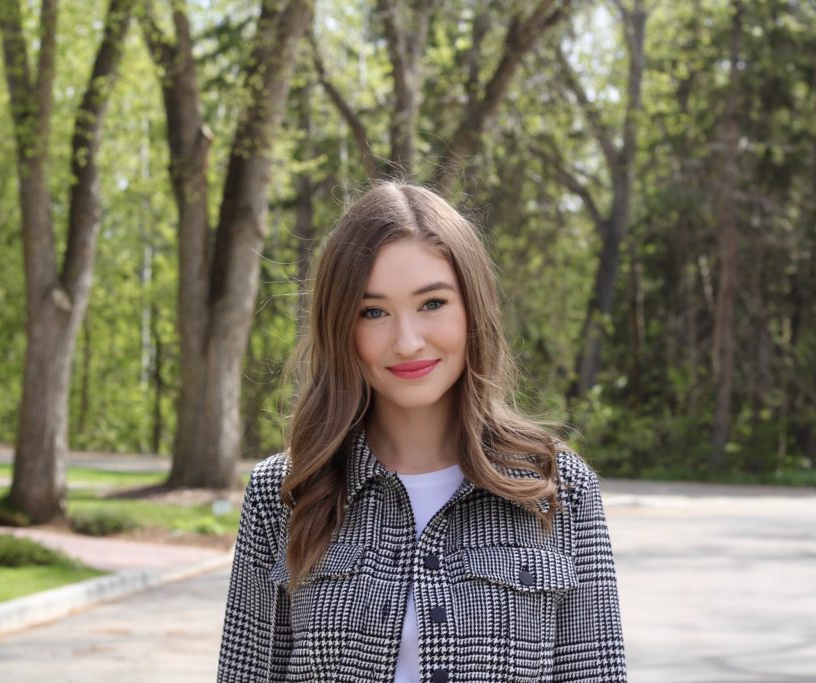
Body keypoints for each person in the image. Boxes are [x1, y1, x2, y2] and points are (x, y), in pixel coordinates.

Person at [217, 182, 627, 682]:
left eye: (432, 303)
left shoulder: (559, 487)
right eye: (373, 312)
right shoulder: (283, 492)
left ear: (473, 309)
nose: (408, 342)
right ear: (340, 327)